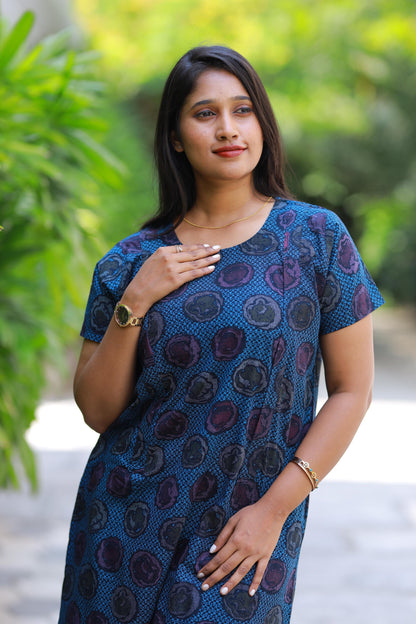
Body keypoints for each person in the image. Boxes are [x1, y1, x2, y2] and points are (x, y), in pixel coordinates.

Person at [58, 45, 384, 624]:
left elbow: (352, 391)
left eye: (243, 110)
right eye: (205, 113)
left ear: (263, 124)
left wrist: (275, 510)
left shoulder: (315, 238)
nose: (228, 128)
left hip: (244, 535)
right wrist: (136, 300)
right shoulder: (130, 261)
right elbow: (100, 412)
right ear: (176, 137)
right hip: (120, 530)